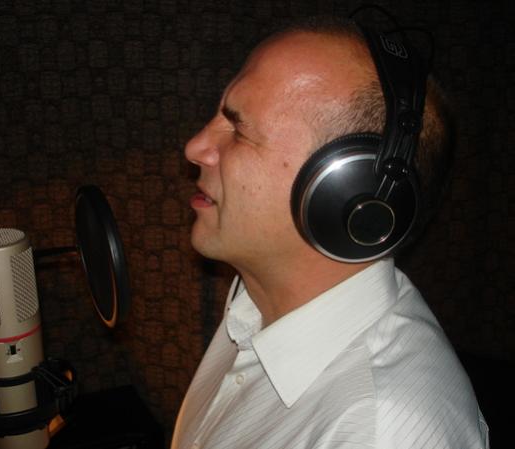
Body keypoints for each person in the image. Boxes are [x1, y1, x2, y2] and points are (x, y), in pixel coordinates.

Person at [171, 14, 489, 449]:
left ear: (347, 189)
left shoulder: (379, 431)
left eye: (238, 129)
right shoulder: (254, 305)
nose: (195, 147)